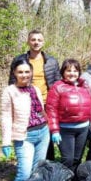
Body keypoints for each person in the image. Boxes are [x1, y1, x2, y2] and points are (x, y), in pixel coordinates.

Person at [1, 59, 50, 181]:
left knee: (37, 171)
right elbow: (6, 117)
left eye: (27, 71)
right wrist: (6, 141)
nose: (24, 75)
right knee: (24, 173)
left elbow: (41, 111)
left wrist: (51, 127)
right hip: (24, 136)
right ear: (14, 73)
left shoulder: (35, 88)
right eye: (20, 72)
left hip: (43, 133)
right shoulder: (10, 91)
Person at [9, 29, 60, 161]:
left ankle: (47, 166)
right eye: (33, 39)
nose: (36, 42)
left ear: (43, 42)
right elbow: (12, 83)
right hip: (27, 104)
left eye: (39, 40)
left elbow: (57, 83)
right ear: (28, 41)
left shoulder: (51, 61)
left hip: (46, 103)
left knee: (47, 136)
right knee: (28, 135)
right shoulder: (19, 60)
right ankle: (29, 164)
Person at [46, 59, 91, 175]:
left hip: (83, 128)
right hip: (65, 129)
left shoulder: (84, 85)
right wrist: (54, 130)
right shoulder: (57, 87)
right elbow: (51, 109)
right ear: (63, 72)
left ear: (79, 72)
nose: (72, 73)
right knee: (67, 159)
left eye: (75, 71)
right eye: (68, 70)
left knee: (77, 158)